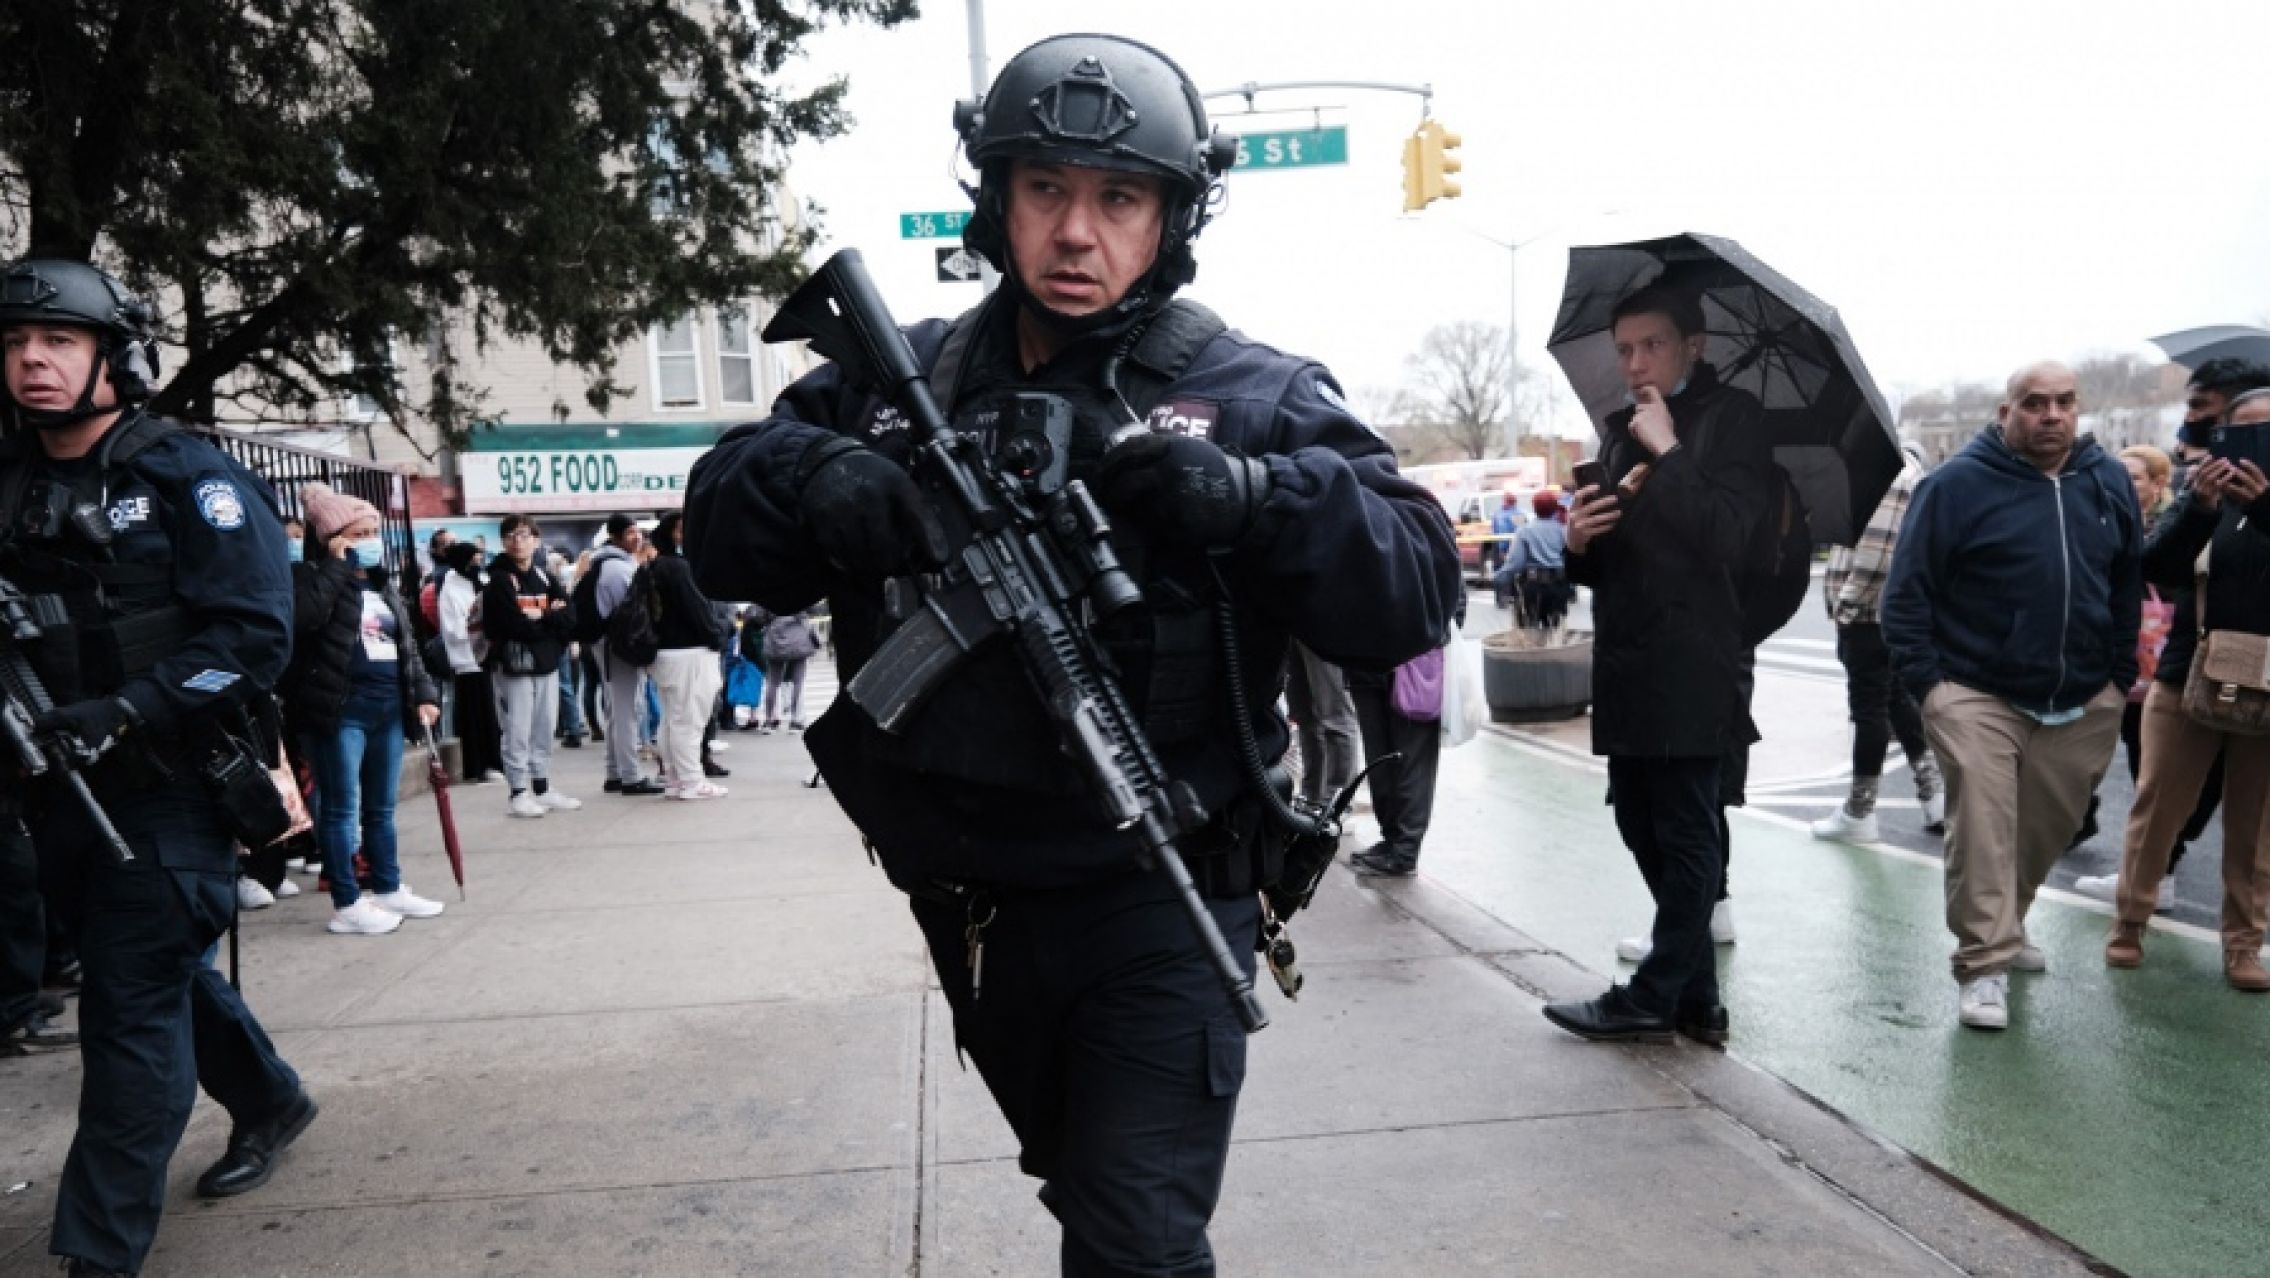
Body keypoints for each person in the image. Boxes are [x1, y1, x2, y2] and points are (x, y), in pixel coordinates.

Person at [682, 33, 1459, 1273]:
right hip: (971, 906)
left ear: (1171, 217)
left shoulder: (1250, 391)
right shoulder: (899, 386)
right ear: (995, 202)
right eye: (1045, 191)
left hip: (1163, 891)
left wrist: (1257, 495)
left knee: (1135, 1240)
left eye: (1119, 199)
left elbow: (1415, 584)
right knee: (1083, 1186)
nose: (1077, 233)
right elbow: (715, 527)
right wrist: (813, 477)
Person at [0, 258, 316, 1276]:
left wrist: (127, 710)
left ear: (110, 355)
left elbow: (254, 637)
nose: (32, 361)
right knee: (154, 971)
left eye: (56, 341)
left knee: (128, 1013)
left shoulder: (188, 476)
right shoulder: (9, 480)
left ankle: (96, 1256)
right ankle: (268, 1097)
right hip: (51, 788)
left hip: (171, 787)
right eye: (12, 344)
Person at [1537, 284, 1772, 1051]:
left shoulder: (1731, 423)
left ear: (1693, 346)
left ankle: (1652, 994)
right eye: (1625, 349)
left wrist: (1670, 449)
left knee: (1688, 829)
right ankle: (1697, 999)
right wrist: (1580, 545)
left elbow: (1728, 540)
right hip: (1628, 660)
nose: (1636, 362)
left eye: (1653, 345)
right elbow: (1622, 563)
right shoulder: (1618, 432)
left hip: (1697, 660)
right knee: (1641, 822)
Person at [1882, 360, 2139, 1032]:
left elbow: (2124, 581)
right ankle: (1984, 962)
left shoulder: (2106, 481)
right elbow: (1905, 593)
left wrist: (2115, 676)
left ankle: (2009, 921)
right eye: (2034, 403)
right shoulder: (1956, 486)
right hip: (1975, 690)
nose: (2051, 415)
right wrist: (1930, 689)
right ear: (2005, 412)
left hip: (2084, 695)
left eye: (2064, 402)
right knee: (1985, 826)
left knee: (2046, 826)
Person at [2104, 390, 2270, 990]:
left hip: (2268, 687)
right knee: (2158, 809)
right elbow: (2157, 568)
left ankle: (2244, 944)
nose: (2255, 445)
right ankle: (2129, 922)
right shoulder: (2203, 497)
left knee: (2256, 828)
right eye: (2242, 433)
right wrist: (2201, 507)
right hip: (2187, 676)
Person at [282, 483, 447, 935]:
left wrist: (424, 695)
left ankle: (389, 886)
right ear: (334, 538)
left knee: (380, 809)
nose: (372, 540)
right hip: (339, 711)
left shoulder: (381, 586)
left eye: (374, 530)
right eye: (360, 533)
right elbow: (306, 619)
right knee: (339, 809)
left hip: (386, 710)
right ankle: (347, 901)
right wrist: (336, 566)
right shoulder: (307, 578)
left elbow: (406, 644)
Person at [2070, 444, 2218, 909]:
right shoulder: (2103, 518)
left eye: (2135, 477)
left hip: (2157, 668)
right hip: (2107, 661)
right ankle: (2086, 823)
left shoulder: (2178, 526)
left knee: (2150, 773)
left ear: (2158, 485)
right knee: (2082, 751)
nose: (2124, 485)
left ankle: (2159, 872)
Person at [1811, 442, 1944, 843]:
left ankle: (1860, 811)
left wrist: (1847, 607)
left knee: (1869, 711)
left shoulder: (1887, 469)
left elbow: (1877, 551)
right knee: (1897, 701)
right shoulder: (1896, 468)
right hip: (1887, 612)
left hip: (1870, 615)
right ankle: (1932, 791)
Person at [480, 514, 582, 818]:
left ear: (536, 540)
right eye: (510, 535)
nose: (517, 541)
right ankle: (518, 792)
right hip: (515, 665)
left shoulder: (543, 576)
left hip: (546, 664)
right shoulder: (500, 579)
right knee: (517, 729)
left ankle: (542, 787)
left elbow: (570, 616)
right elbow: (512, 625)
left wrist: (544, 618)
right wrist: (550, 618)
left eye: (524, 535)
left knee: (544, 727)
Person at [644, 511, 730, 799]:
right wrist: (719, 635)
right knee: (689, 721)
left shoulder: (656, 566)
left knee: (671, 720)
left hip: (666, 654)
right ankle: (692, 781)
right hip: (690, 653)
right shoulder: (680, 568)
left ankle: (673, 778)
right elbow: (700, 613)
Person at [588, 514, 664, 795]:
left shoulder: (604, 563)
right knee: (627, 710)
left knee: (616, 710)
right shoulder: (618, 569)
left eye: (638, 533)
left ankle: (614, 772)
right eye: (631, 533)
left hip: (607, 645)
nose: (637, 538)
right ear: (615, 535)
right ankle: (631, 776)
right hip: (618, 647)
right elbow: (631, 614)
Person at [436, 540, 504, 783]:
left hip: (488, 657)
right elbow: (454, 629)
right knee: (475, 714)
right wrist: (480, 627)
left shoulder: (481, 581)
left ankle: (496, 761)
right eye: (473, 559)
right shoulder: (450, 589)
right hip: (467, 660)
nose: (477, 563)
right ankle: (478, 765)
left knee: (492, 713)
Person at [1283, 640, 1359, 808]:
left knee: (1334, 714)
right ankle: (1312, 799)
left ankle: (1335, 803)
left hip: (1322, 624)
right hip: (1291, 626)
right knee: (1303, 713)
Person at [1492, 488, 1571, 627]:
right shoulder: (1564, 530)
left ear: (1534, 508)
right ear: (1554, 508)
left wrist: (1499, 578)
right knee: (1555, 633)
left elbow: (1515, 563)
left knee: (1529, 633)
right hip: (1559, 586)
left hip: (1533, 587)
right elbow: (1571, 557)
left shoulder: (1525, 531)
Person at [759, 606, 819, 733]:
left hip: (775, 636)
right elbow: (813, 609)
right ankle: (795, 722)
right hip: (798, 636)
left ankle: (768, 721)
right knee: (798, 681)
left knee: (772, 682)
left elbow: (761, 616)